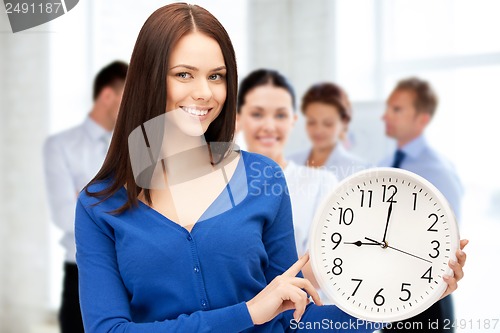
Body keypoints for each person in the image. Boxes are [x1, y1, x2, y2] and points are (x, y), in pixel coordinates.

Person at [75, 4, 466, 332]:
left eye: (216, 76)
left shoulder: (262, 179)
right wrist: (246, 314)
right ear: (148, 79)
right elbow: (108, 330)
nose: (205, 92)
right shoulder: (99, 205)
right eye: (184, 74)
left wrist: (409, 296)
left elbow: (293, 316)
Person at [43, 60, 128, 333]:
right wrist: (121, 204)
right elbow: (64, 216)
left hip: (130, 271)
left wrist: (89, 201)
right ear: (107, 96)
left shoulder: (138, 146)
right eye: (128, 97)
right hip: (80, 273)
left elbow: (150, 209)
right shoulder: (60, 146)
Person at [379, 77, 464, 332]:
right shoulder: (384, 162)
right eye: (388, 108)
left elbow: (449, 237)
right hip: (389, 294)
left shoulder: (438, 171)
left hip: (428, 300)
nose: (386, 116)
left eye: (397, 109)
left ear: (422, 119)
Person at [236, 69, 338, 261]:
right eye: (257, 114)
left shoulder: (321, 184)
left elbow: (326, 264)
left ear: (294, 120)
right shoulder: (220, 184)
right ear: (238, 118)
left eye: (281, 116)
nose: (269, 126)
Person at [288, 82, 368, 181]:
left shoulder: (359, 170)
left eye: (328, 124)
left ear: (344, 123)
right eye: (312, 122)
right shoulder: (290, 162)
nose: (318, 130)